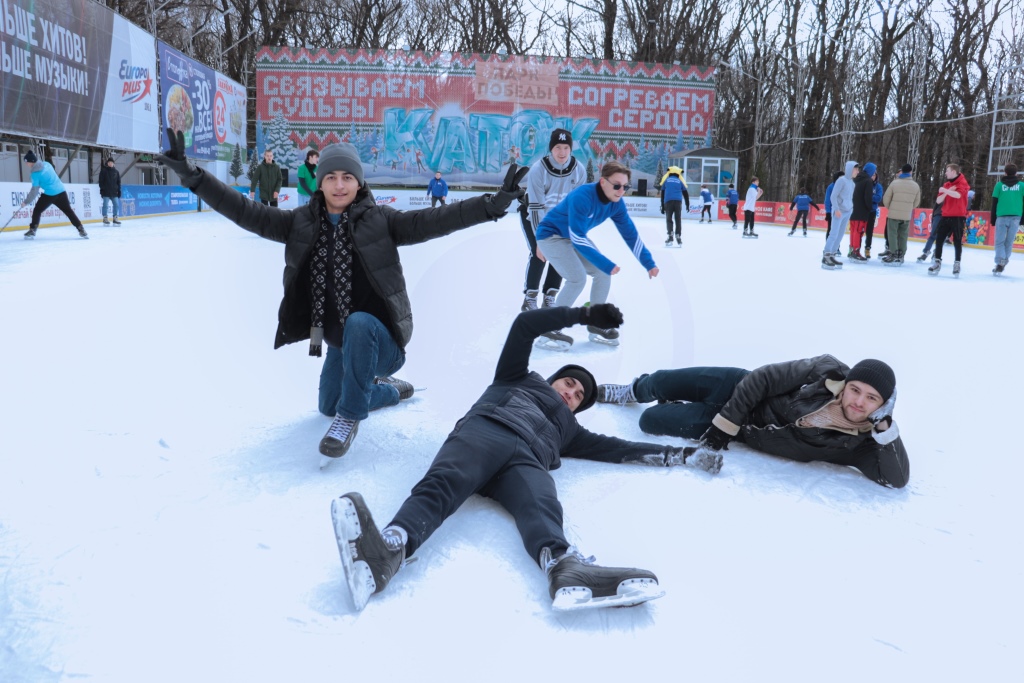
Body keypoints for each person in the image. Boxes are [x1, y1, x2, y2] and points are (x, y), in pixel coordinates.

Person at [156, 130, 527, 464]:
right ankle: (386, 393)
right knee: (325, 404)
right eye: (330, 177)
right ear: (319, 183)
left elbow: (439, 220)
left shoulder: (382, 220)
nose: (338, 184)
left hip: (382, 342)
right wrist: (193, 176)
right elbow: (244, 210)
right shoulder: (298, 223)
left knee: (359, 326)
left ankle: (350, 418)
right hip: (339, 341)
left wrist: (492, 205)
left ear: (359, 183)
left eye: (347, 177)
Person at [330, 305, 701, 613]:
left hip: (526, 463)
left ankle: (563, 567)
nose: (572, 393)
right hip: (488, 431)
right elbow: (524, 326)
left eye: (580, 395)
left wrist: (679, 455)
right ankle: (389, 551)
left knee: (541, 504)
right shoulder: (516, 377)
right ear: (555, 379)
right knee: (444, 484)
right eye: (569, 383)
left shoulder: (571, 432)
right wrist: (584, 314)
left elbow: (619, 449)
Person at [595, 356, 909, 488]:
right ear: (846, 385)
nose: (858, 402)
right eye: (855, 390)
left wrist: (884, 428)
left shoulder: (856, 442)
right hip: (736, 388)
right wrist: (723, 426)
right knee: (661, 381)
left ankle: (679, 407)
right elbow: (765, 377)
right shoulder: (826, 371)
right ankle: (631, 390)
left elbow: (895, 479)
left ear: (883, 406)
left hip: (741, 429)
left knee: (651, 420)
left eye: (871, 399)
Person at [534, 161, 659, 349]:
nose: (621, 190)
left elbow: (631, 235)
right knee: (577, 279)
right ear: (603, 182)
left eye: (626, 186)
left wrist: (648, 263)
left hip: (573, 237)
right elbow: (577, 237)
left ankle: (595, 321)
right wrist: (606, 263)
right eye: (617, 185)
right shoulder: (582, 196)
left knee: (602, 273)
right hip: (551, 236)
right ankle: (551, 326)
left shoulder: (616, 204)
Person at [519, 128, 586, 312]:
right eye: (558, 147)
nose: (562, 152)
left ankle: (550, 296)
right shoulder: (538, 170)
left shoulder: (579, 171)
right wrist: (541, 241)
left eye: (565, 147)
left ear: (571, 149)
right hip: (533, 215)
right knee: (539, 255)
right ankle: (530, 298)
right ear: (551, 149)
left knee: (560, 254)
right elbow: (535, 208)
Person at [20, 150, 88, 239]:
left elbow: (34, 191)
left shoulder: (34, 174)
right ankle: (81, 229)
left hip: (50, 194)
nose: (26, 164)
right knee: (68, 211)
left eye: (26, 162)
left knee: (37, 210)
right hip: (61, 190)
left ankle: (33, 230)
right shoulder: (47, 164)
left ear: (31, 162)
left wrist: (26, 202)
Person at [928, 163, 971, 277]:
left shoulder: (962, 183)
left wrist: (946, 191)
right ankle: (937, 261)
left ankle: (957, 263)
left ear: (953, 172)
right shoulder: (946, 184)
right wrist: (946, 191)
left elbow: (958, 195)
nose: (946, 173)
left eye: (947, 171)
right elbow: (938, 200)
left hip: (958, 216)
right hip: (945, 215)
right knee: (940, 239)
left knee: (957, 240)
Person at [881, 164, 921, 266]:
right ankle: (901, 254)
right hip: (906, 215)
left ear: (902, 172)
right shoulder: (915, 186)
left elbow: (886, 199)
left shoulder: (894, 183)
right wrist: (908, 208)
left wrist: (891, 208)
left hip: (894, 214)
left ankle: (893, 253)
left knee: (892, 234)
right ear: (911, 172)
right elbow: (917, 202)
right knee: (903, 235)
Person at [990, 162, 1024, 275]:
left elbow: (994, 203)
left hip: (1002, 216)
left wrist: (992, 218)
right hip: (1016, 216)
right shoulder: (1021, 186)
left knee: (999, 241)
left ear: (1005, 172)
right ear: (1016, 173)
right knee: (1009, 242)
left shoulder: (999, 185)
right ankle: (1003, 262)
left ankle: (1001, 261)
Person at [822, 161, 858, 269]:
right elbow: (833, 196)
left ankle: (832, 255)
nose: (857, 171)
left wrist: (851, 209)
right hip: (838, 212)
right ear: (851, 169)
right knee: (833, 234)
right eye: (856, 169)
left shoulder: (852, 183)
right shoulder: (841, 181)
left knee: (840, 235)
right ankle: (826, 255)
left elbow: (850, 198)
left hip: (847, 211)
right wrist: (836, 209)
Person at [847, 161, 875, 261]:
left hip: (852, 210)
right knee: (859, 231)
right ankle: (856, 251)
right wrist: (869, 207)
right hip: (861, 211)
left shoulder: (855, 179)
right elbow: (868, 198)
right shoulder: (868, 181)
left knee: (853, 231)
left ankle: (851, 250)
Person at [660, 166, 689, 245]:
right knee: (678, 219)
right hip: (678, 202)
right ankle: (678, 236)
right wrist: (687, 204)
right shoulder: (680, 181)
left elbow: (662, 194)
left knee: (669, 218)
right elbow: (685, 194)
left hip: (668, 201)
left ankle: (670, 236)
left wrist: (662, 206)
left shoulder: (666, 181)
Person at [864, 169, 884, 258]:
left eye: (874, 175)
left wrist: (868, 197)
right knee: (859, 230)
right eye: (871, 175)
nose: (873, 177)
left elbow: (878, 198)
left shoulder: (878, 186)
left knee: (869, 231)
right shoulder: (864, 184)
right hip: (862, 210)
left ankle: (867, 248)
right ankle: (855, 248)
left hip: (872, 211)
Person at [99, 156, 122, 226]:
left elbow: (118, 182)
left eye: (111, 162)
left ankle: (115, 218)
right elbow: (101, 181)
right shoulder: (103, 171)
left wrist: (119, 190)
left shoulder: (116, 172)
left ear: (113, 163)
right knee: (105, 205)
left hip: (114, 192)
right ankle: (105, 217)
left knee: (116, 205)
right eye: (109, 162)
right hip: (106, 192)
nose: (110, 164)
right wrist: (102, 189)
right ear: (107, 163)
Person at [823, 170, 843, 239]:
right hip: (832, 211)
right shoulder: (831, 187)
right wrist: (828, 212)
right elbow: (827, 200)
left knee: (839, 231)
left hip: (841, 212)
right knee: (831, 229)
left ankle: (836, 247)